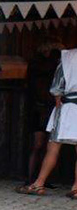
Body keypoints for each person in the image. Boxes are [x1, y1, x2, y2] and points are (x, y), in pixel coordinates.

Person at [16, 48, 77, 198]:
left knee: (53, 148)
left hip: (67, 108)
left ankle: (39, 184)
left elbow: (57, 87)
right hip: (69, 106)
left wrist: (58, 102)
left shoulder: (68, 57)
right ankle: (76, 187)